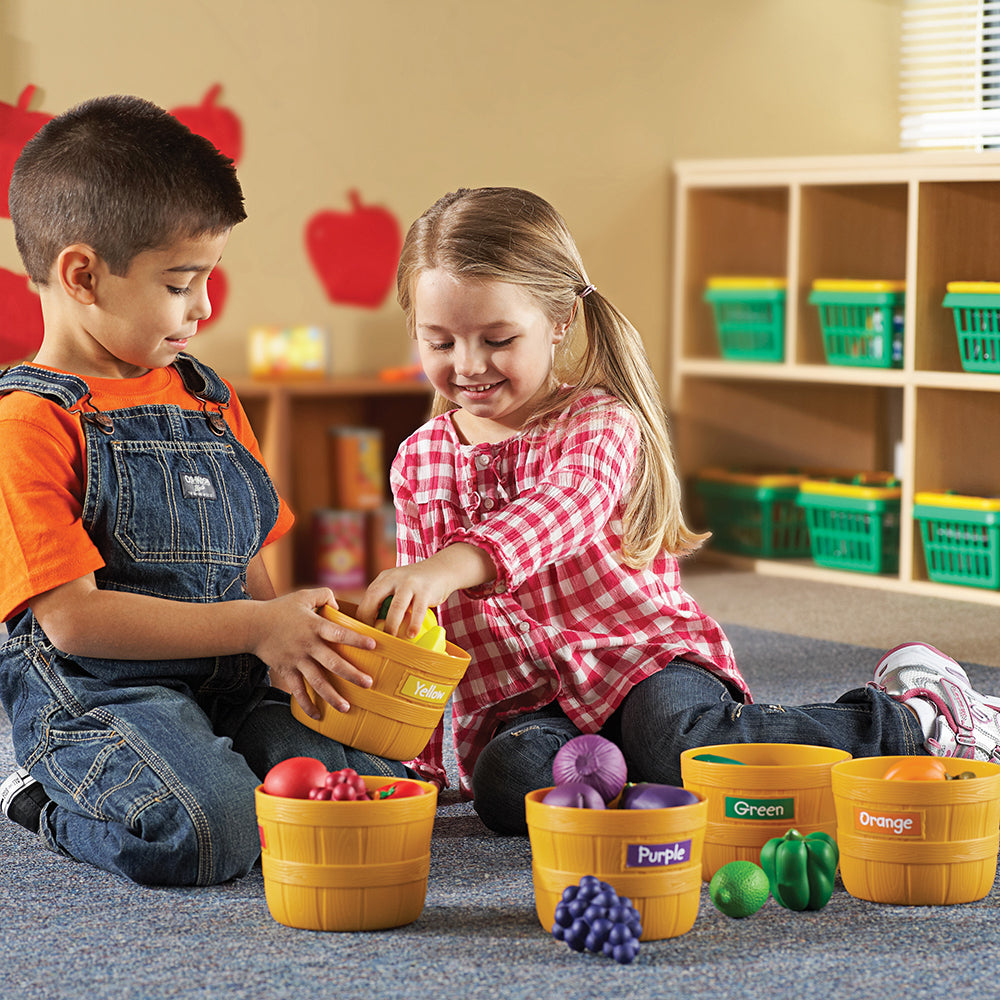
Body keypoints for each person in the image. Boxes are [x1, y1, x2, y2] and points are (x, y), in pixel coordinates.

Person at [356, 186, 1000, 835]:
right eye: (439, 343)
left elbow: (563, 508)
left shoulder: (600, 423)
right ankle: (643, 781)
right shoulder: (419, 459)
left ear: (558, 321)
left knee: (673, 740)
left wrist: (449, 567)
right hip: (530, 703)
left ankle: (919, 719)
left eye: (496, 338)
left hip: (643, 663)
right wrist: (419, 751)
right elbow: (430, 630)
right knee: (508, 783)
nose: (467, 365)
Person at [0, 95, 407, 886]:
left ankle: (224, 755)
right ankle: (39, 803)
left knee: (339, 788)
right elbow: (75, 622)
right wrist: (258, 627)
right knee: (209, 835)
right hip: (103, 696)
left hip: (232, 676)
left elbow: (249, 563)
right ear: (83, 275)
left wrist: (290, 640)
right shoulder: (27, 425)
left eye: (209, 278)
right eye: (182, 283)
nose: (204, 308)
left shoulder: (208, 397)